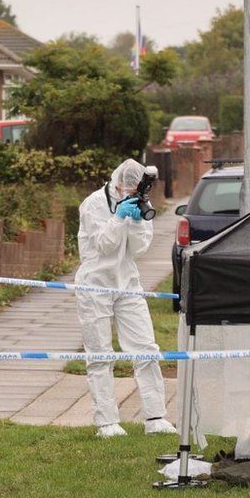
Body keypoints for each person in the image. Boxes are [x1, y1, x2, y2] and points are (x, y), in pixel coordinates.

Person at [76, 159, 177, 438]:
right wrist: (118, 219)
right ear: (117, 184)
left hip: (127, 283)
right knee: (100, 354)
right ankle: (107, 422)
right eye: (128, 192)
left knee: (146, 347)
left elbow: (139, 248)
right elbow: (104, 246)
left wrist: (132, 222)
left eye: (136, 194)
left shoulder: (138, 203)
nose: (132, 197)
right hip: (95, 285)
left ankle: (156, 416)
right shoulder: (94, 204)